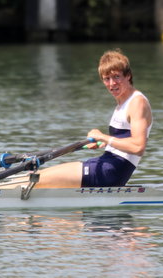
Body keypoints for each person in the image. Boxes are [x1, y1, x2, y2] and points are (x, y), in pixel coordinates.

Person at [35, 49, 152, 188]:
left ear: (128, 76)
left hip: (111, 172)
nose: (112, 84)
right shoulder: (123, 102)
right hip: (106, 164)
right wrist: (104, 143)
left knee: (36, 179)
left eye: (116, 77)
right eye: (106, 79)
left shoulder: (137, 102)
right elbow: (125, 137)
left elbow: (138, 147)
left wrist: (103, 137)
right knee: (37, 176)